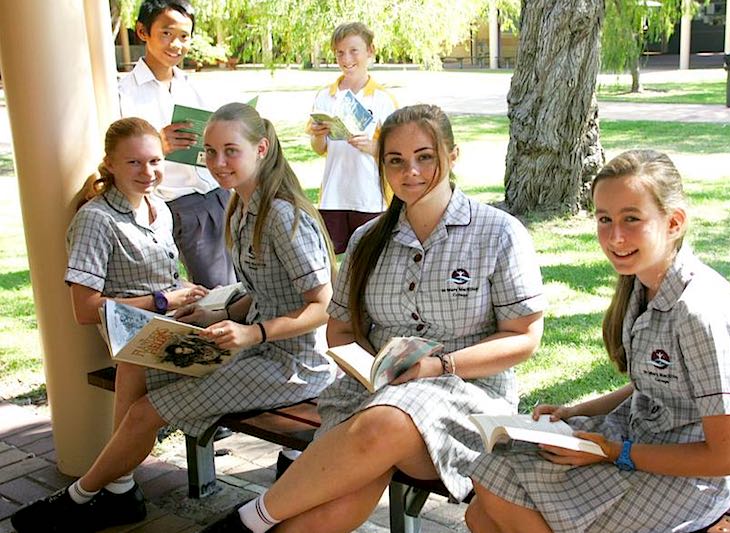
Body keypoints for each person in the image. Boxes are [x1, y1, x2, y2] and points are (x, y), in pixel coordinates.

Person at [200, 104, 546, 533]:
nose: (410, 172)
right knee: (341, 496)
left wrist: (438, 367)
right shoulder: (368, 240)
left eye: (425, 157)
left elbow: (525, 337)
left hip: (469, 399)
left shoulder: (498, 233)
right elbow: (340, 329)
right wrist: (372, 370)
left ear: (452, 156)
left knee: (385, 419)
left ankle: (249, 519)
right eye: (395, 160)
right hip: (370, 395)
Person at [11, 105, 338, 532]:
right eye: (210, 152)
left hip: (292, 365)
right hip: (255, 346)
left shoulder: (279, 214)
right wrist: (215, 311)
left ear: (261, 148)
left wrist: (251, 331)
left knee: (146, 409)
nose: (218, 163)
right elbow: (261, 292)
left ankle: (81, 497)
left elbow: (323, 305)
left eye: (230, 151)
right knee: (141, 367)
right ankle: (118, 492)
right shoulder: (239, 205)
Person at [464, 150, 730, 533]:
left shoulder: (700, 314)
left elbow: (725, 457)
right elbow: (652, 386)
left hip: (689, 477)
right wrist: (575, 412)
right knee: (483, 503)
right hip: (639, 438)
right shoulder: (643, 286)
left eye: (631, 219)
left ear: (673, 223)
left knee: (497, 488)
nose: (615, 237)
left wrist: (614, 453)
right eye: (604, 219)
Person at [10, 116, 207, 532]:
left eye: (155, 161)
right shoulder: (96, 219)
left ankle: (116, 490)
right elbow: (85, 309)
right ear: (110, 164)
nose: (148, 173)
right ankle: (107, 490)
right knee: (143, 371)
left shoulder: (160, 209)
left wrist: (191, 294)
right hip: (131, 328)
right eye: (134, 163)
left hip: (169, 322)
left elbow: (168, 280)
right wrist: (162, 300)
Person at [119, 0, 236, 288]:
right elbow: (116, 153)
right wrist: (157, 145)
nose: (177, 45)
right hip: (173, 203)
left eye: (184, 36)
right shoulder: (123, 93)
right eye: (167, 34)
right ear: (143, 32)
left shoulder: (195, 87)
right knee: (206, 292)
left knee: (241, 284)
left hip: (219, 195)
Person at [308, 21, 398, 254]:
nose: (346, 59)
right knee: (330, 257)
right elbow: (319, 148)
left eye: (353, 51)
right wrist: (318, 136)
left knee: (369, 259)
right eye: (340, 53)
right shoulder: (325, 96)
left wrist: (373, 147)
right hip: (333, 194)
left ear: (370, 51)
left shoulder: (382, 98)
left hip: (369, 196)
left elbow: (397, 150)